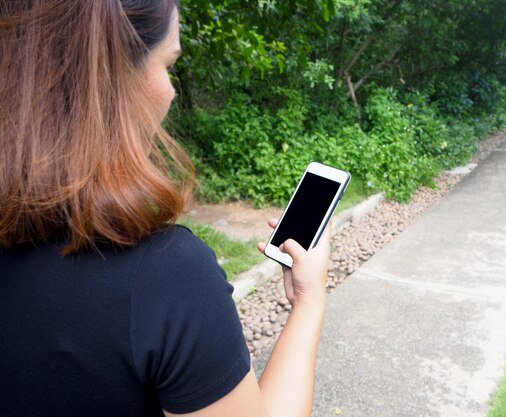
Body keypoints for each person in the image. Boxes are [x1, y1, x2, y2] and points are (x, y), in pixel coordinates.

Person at [0, 1, 330, 416]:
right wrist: (309, 297)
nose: (172, 91)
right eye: (169, 65)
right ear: (113, 76)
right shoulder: (168, 276)